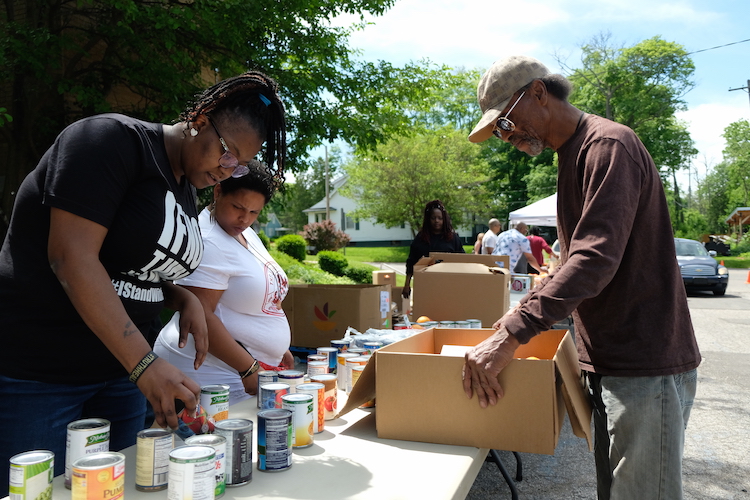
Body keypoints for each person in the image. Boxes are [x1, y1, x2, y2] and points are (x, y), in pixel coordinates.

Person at [0, 71, 287, 495]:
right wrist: (144, 363)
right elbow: (72, 257)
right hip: (43, 377)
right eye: (227, 152)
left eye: (239, 163)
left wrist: (181, 295)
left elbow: (129, 266)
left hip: (119, 376)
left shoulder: (186, 186)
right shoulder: (110, 141)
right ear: (201, 118)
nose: (227, 170)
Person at [462, 55, 700, 500]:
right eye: (498, 130)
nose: (506, 136)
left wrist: (514, 331)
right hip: (610, 360)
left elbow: (595, 259)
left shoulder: (608, 146)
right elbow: (582, 255)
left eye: (506, 123)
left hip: (643, 362)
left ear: (538, 93)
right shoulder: (572, 154)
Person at [154, 164, 294, 405]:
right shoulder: (209, 240)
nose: (245, 218)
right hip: (211, 370)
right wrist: (248, 367)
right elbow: (200, 315)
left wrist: (277, 350)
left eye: (254, 212)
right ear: (218, 192)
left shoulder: (242, 231)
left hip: (242, 366)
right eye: (238, 207)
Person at [402, 200, 465, 299]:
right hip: (425, 285)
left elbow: (462, 261)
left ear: (444, 220)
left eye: (440, 218)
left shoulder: (453, 238)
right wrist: (407, 284)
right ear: (428, 219)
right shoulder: (420, 238)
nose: (436, 221)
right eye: (433, 218)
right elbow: (411, 262)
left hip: (448, 284)